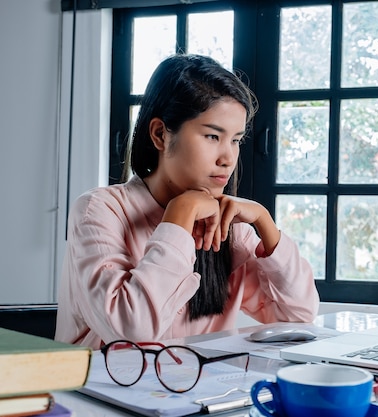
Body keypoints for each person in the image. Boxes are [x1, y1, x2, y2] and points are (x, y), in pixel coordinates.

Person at [55, 54, 320, 349]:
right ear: (160, 134)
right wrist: (181, 213)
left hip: (198, 390)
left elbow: (299, 317)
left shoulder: (228, 224)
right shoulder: (100, 210)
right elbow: (130, 329)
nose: (228, 158)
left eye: (235, 140)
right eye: (211, 136)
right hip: (98, 391)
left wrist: (264, 221)